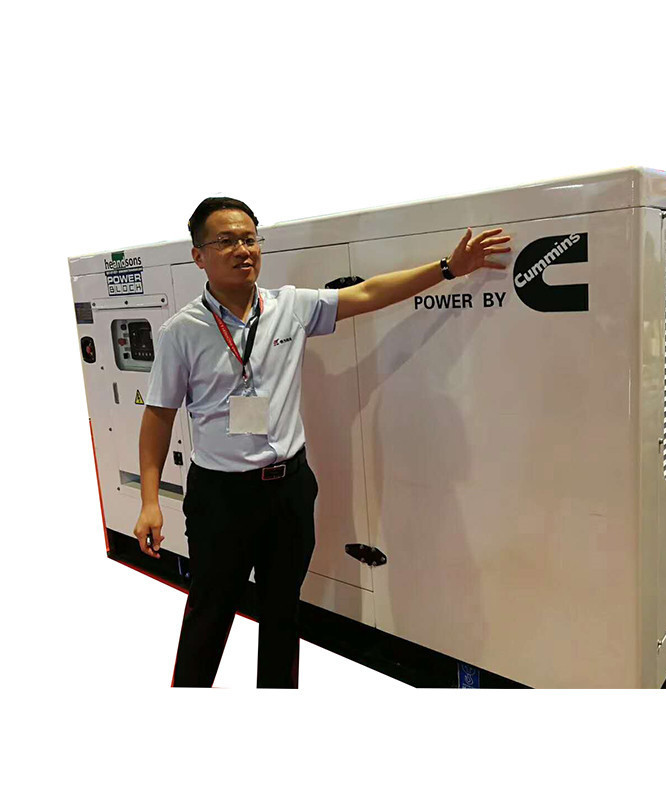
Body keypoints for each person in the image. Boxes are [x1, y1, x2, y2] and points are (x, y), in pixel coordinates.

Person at [133, 196, 512, 688]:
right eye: (226, 241)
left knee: (283, 609)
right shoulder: (181, 332)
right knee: (211, 610)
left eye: (249, 238)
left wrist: (447, 269)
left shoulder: (289, 307)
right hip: (221, 498)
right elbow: (158, 417)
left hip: (287, 490)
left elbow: (368, 293)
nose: (243, 249)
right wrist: (149, 501)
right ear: (198, 256)